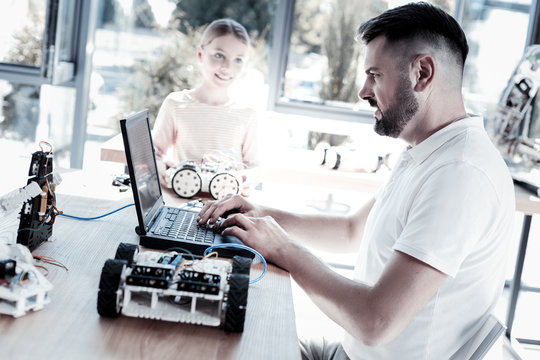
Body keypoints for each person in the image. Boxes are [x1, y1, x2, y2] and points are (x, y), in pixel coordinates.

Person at [197, 3, 515, 359]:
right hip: (347, 352)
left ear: (422, 72)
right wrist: (261, 215)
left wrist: (282, 249)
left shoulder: (460, 173)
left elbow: (375, 322)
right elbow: (351, 230)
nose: (363, 91)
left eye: (375, 75)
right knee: (219, 334)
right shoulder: (429, 151)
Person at [152, 18, 259, 196]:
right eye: (219, 55)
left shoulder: (247, 113)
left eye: (238, 60)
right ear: (201, 54)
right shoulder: (176, 104)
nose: (227, 67)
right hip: (182, 200)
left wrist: (250, 178)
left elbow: (254, 165)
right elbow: (154, 154)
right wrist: (160, 169)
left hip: (228, 207)